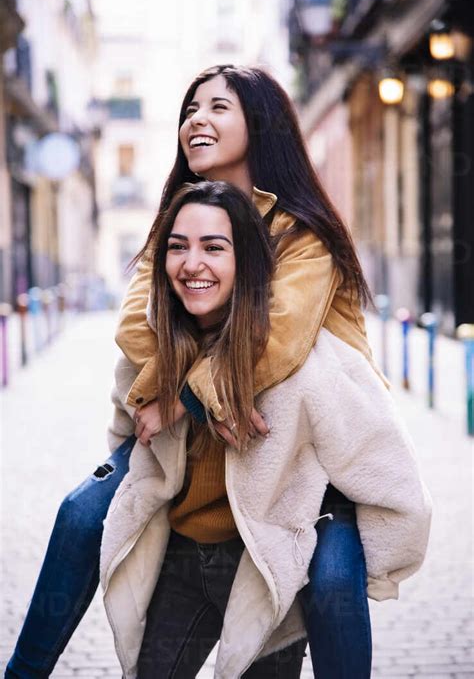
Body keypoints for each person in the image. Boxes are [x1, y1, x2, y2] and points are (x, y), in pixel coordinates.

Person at [5, 64, 404, 678]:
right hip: (198, 449)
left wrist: (181, 396)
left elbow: (276, 339)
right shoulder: (179, 218)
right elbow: (139, 327)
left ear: (261, 123)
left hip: (307, 451)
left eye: (219, 107)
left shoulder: (304, 234)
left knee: (330, 585)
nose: (198, 120)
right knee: (81, 513)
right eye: (191, 109)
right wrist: (188, 397)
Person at [102, 179, 431, 679]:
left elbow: (383, 463)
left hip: (264, 572)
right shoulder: (156, 355)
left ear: (248, 260)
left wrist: (379, 564)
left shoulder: (301, 361)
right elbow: (129, 445)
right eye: (178, 247)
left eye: (214, 247)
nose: (192, 264)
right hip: (183, 563)